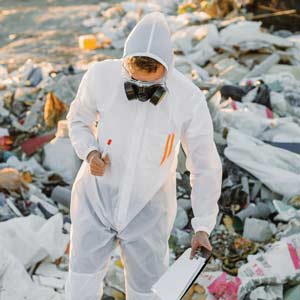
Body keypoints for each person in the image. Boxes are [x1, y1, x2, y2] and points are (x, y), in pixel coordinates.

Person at [65, 11, 222, 300]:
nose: (142, 87)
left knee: (146, 293)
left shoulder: (187, 99)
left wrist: (203, 225)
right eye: (136, 79)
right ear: (126, 62)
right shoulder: (100, 75)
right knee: (80, 286)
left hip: (149, 208)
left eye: (151, 82)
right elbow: (78, 119)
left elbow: (204, 164)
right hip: (96, 199)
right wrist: (89, 152)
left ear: (167, 68)